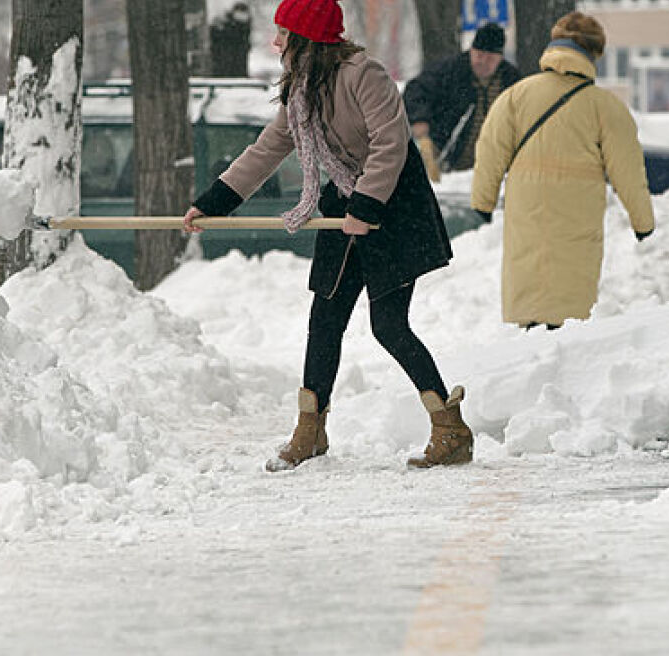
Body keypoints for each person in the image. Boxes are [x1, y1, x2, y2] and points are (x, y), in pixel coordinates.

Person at [183, 0, 473, 471]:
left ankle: (450, 429)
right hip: (345, 202)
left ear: (306, 39)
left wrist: (367, 206)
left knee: (389, 325)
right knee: (325, 319)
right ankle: (310, 431)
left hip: (394, 206)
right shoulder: (301, 89)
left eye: (283, 33)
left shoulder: (364, 75)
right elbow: (268, 149)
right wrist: (214, 202)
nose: (276, 43)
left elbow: (390, 143)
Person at [471, 11, 655, 330]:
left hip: (526, 205)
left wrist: (483, 203)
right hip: (578, 210)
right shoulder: (605, 106)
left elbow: (490, 150)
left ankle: (529, 335)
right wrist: (643, 223)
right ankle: (565, 341)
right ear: (593, 54)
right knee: (570, 292)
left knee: (529, 275)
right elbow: (629, 171)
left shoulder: (516, 95)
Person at [403, 22, 522, 178]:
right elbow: (416, 90)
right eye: (479, 55)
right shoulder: (451, 71)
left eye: (490, 58)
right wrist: (419, 119)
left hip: (496, 166)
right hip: (449, 160)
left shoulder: (511, 80)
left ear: (500, 58)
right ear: (471, 51)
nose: (483, 62)